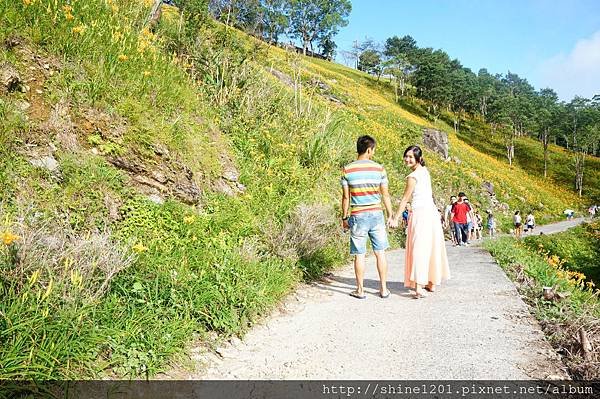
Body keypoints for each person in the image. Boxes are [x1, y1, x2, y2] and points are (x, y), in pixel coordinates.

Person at [388, 145, 450, 298]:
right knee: (431, 247)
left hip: (421, 215)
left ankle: (418, 287)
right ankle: (430, 282)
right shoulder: (425, 172)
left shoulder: (412, 177)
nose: (407, 159)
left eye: (410, 157)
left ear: (418, 158)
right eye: (406, 156)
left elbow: (404, 199)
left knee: (419, 248)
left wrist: (395, 217)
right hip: (431, 213)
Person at [341, 135, 393, 299]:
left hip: (358, 216)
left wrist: (344, 218)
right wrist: (390, 214)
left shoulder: (347, 170)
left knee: (360, 254)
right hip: (376, 214)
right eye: (373, 150)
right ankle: (383, 289)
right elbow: (385, 195)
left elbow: (345, 198)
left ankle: (360, 290)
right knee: (380, 253)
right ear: (369, 149)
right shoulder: (379, 169)